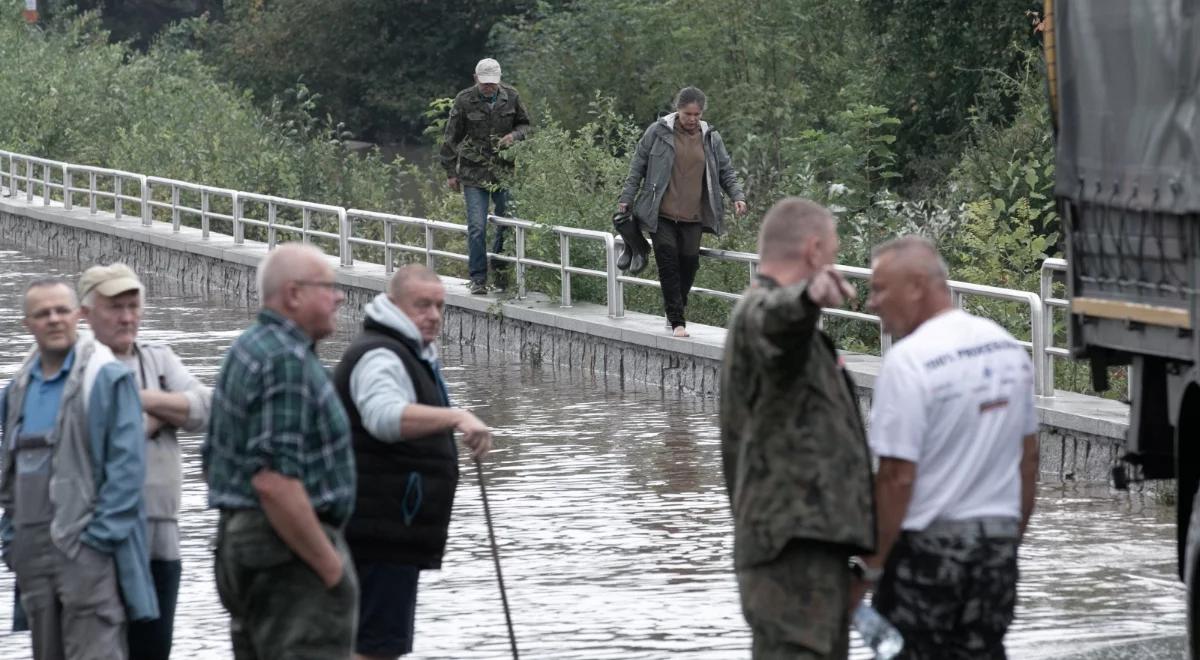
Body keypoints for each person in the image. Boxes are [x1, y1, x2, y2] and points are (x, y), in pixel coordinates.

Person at [855, 236, 1039, 659]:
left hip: (927, 556)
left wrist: (869, 567)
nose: (871, 303)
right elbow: (1027, 461)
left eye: (880, 288)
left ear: (918, 285)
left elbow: (896, 478)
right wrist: (1008, 546)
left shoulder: (910, 360)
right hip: (995, 550)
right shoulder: (1007, 347)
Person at [719, 198, 876, 659]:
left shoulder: (792, 335)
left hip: (812, 552)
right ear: (813, 250)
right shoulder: (756, 314)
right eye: (833, 251)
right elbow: (775, 321)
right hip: (789, 555)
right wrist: (808, 297)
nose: (834, 261)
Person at [203, 243, 359, 659]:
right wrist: (330, 566)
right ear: (293, 294)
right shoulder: (284, 361)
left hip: (246, 545)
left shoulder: (250, 347)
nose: (340, 296)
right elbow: (272, 480)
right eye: (328, 286)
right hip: (289, 557)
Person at [332, 265, 493, 659]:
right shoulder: (381, 355)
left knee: (376, 644)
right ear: (393, 304)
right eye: (422, 306)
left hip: (390, 527)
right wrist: (456, 417)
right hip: (378, 530)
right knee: (374, 647)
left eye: (439, 306)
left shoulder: (408, 352)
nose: (434, 315)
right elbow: (384, 418)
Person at [0, 277, 158, 660]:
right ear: (28, 324)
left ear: (77, 316)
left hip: (90, 553)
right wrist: (11, 543)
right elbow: (9, 476)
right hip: (32, 553)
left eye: (61, 311)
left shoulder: (106, 378)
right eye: (42, 314)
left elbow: (127, 473)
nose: (53, 320)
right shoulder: (16, 389)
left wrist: (97, 543)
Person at [78, 263, 212, 660]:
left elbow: (208, 408)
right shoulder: (74, 368)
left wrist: (138, 399)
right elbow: (102, 442)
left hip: (160, 535)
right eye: (115, 307)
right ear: (85, 314)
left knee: (154, 648)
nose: (127, 317)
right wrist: (166, 413)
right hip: (99, 538)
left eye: (133, 306)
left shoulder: (157, 358)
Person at [618, 86, 747, 337]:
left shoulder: (711, 138)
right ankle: (677, 321)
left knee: (688, 263)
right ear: (678, 110)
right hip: (661, 213)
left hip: (693, 215)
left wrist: (737, 196)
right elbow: (638, 166)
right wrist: (627, 197)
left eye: (697, 115)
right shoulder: (658, 133)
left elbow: (726, 171)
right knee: (667, 261)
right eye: (688, 114)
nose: (692, 119)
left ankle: (676, 307)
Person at [439, 57, 532, 295]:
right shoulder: (464, 100)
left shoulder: (511, 97)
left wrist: (514, 136)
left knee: (507, 225)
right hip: (473, 174)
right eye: (484, 83)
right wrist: (451, 173)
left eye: (492, 83)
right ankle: (478, 278)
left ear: (499, 80)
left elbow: (526, 126)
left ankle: (500, 271)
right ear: (476, 79)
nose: (488, 87)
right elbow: (451, 138)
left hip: (503, 173)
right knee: (477, 227)